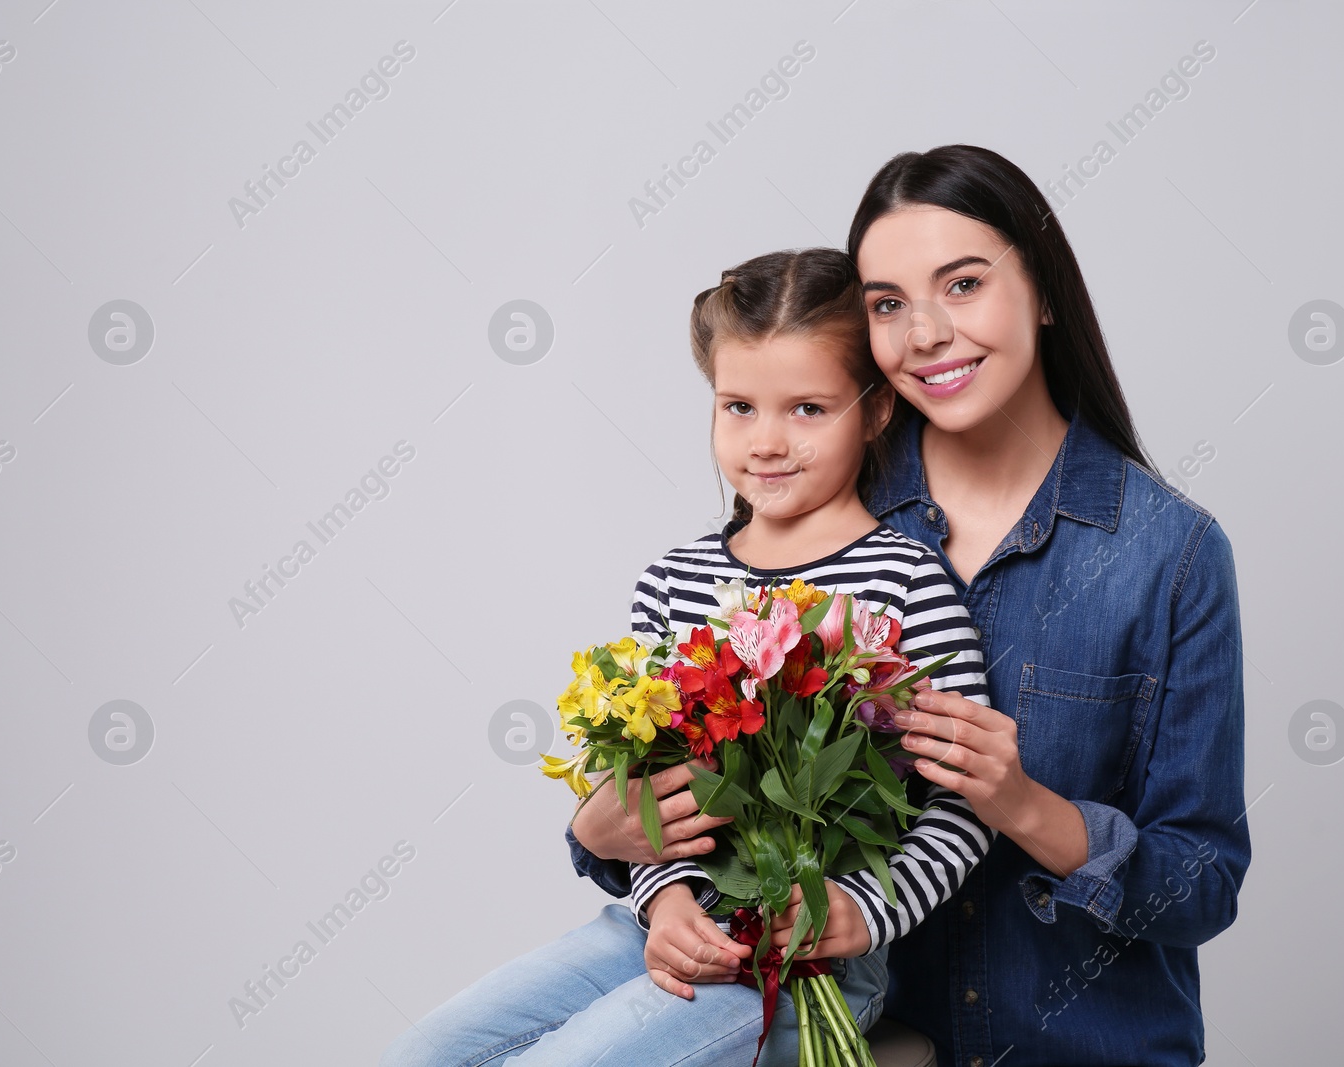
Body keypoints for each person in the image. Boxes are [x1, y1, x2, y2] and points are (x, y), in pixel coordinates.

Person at [568, 145, 1252, 1067]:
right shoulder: (819, 499)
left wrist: (1025, 806)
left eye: (963, 283)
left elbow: (1202, 886)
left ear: (1043, 291)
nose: (925, 333)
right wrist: (600, 834)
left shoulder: (1168, 554)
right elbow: (696, 756)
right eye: (888, 303)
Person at [381, 247, 999, 1067]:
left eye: (808, 409)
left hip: (795, 955)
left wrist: (861, 910)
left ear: (877, 409)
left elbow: (967, 807)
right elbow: (637, 792)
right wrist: (662, 899)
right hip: (656, 926)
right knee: (420, 1053)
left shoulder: (908, 580)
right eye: (738, 406)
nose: (767, 442)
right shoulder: (674, 581)